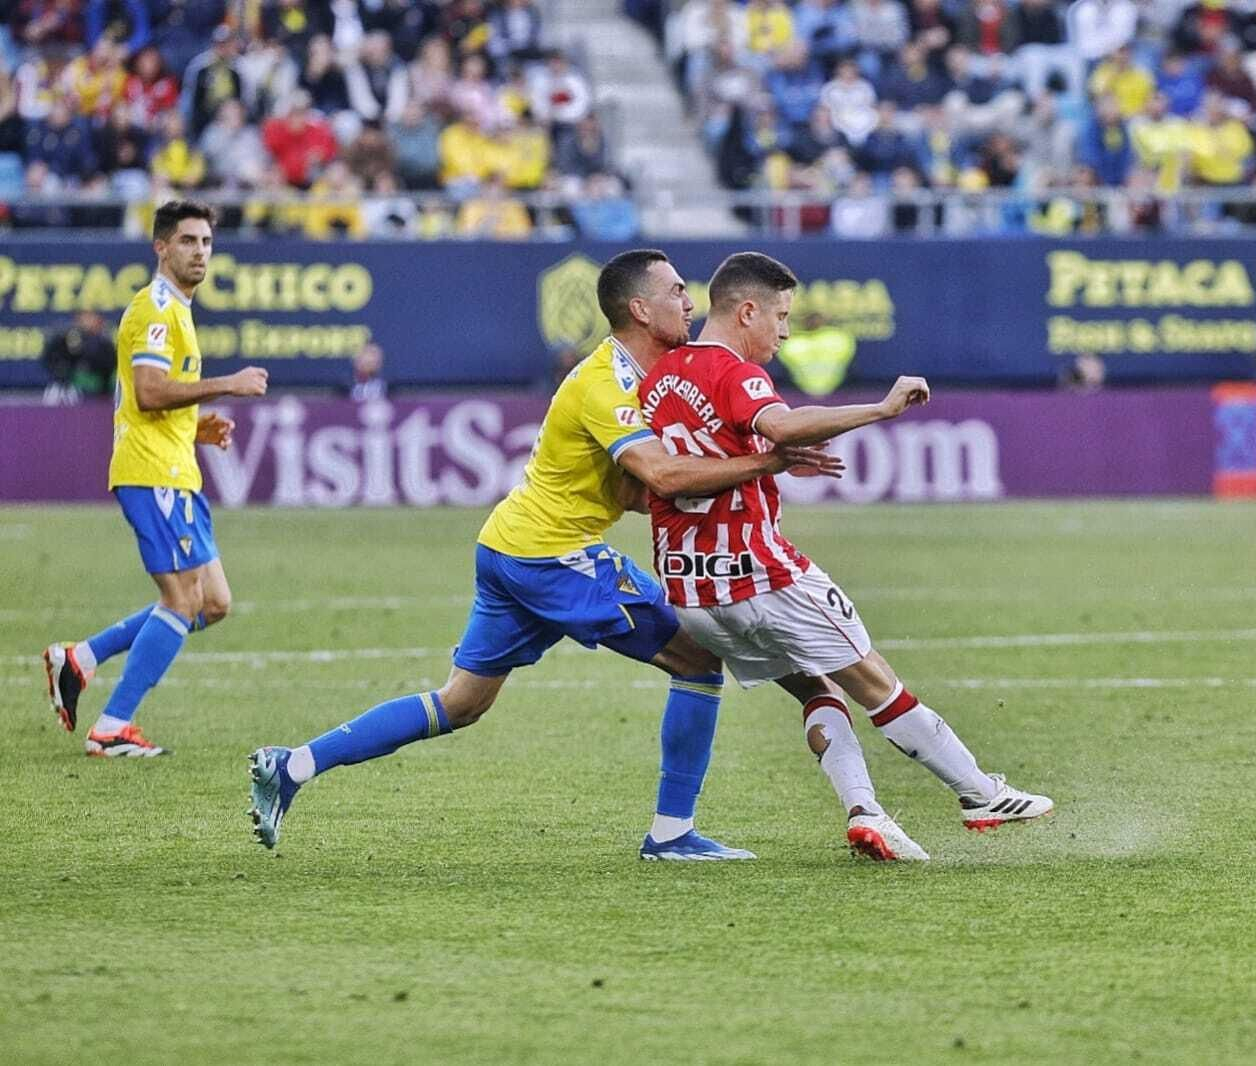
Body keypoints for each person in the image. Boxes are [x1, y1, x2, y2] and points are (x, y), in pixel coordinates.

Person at [245, 250, 840, 858]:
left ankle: (292, 765)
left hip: (509, 545)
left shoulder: (653, 377)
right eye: (676, 292)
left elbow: (634, 493)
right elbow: (660, 476)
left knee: (461, 703)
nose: (690, 302)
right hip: (552, 555)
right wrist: (767, 462)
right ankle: (671, 834)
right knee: (698, 660)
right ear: (640, 309)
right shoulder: (606, 383)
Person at [639, 252, 1054, 861]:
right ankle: (980, 793)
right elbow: (781, 426)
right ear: (747, 311)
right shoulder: (734, 372)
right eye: (780, 316)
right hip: (761, 577)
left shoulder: (659, 376)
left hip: (690, 593)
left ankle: (866, 812)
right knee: (877, 683)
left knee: (815, 687)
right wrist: (881, 409)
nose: (784, 332)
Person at [42, 200, 272, 756]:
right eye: (188, 241)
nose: (200, 252)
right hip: (152, 472)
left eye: (207, 242)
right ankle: (112, 726)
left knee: (212, 601)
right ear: (161, 247)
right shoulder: (155, 307)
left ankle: (80, 658)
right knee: (182, 599)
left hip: (175, 468)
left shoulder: (179, 310)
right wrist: (229, 384)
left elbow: (152, 399)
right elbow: (147, 392)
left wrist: (195, 426)